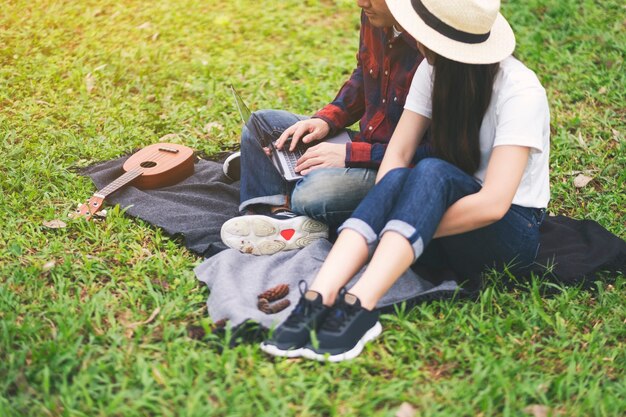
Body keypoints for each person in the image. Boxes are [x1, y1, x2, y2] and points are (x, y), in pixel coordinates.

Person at [260, 0, 550, 362]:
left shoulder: (520, 91)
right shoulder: (434, 70)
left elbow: (493, 204)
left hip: (509, 228)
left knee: (430, 170)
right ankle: (318, 297)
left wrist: (399, 229)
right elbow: (396, 158)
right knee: (404, 174)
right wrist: (392, 214)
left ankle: (360, 306)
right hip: (443, 207)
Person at [220, 0, 424, 256]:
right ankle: (278, 212)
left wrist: (349, 155)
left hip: (393, 167)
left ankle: (274, 178)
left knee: (314, 193)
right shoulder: (375, 16)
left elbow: (434, 155)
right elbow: (363, 76)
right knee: (261, 124)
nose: (362, 3)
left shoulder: (432, 48)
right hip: (362, 143)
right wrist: (326, 120)